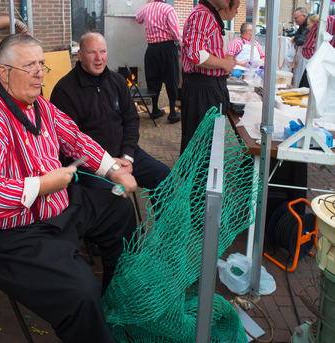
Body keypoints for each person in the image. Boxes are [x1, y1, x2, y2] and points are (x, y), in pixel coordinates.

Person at [0, 33, 138, 343]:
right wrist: (40, 185)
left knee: (118, 209)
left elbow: (75, 138)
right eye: (30, 66)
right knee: (80, 289)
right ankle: (92, 322)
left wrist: (113, 169)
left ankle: (112, 298)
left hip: (56, 209)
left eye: (42, 64)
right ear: (4, 73)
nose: (40, 72)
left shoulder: (41, 106)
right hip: (10, 234)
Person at [51, 32, 170, 205]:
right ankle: (120, 230)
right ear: (80, 55)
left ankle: (168, 231)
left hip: (124, 154)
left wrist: (127, 157)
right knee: (117, 202)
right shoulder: (64, 91)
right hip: (89, 163)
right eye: (92, 52)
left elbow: (131, 119)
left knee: (162, 175)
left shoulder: (117, 82)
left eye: (103, 51)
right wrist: (107, 164)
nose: (99, 58)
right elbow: (71, 140)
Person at [180, 0, 236, 153]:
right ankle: (198, 177)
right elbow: (196, 53)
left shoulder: (206, 14)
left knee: (203, 145)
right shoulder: (203, 15)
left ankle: (199, 176)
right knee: (201, 147)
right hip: (204, 89)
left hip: (205, 87)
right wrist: (224, 63)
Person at [135, 0, 182, 123]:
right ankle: (172, 113)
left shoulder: (146, 8)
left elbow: (138, 19)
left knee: (153, 79)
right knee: (171, 79)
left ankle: (155, 110)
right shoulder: (168, 9)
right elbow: (175, 32)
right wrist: (179, 43)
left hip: (151, 49)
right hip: (167, 48)